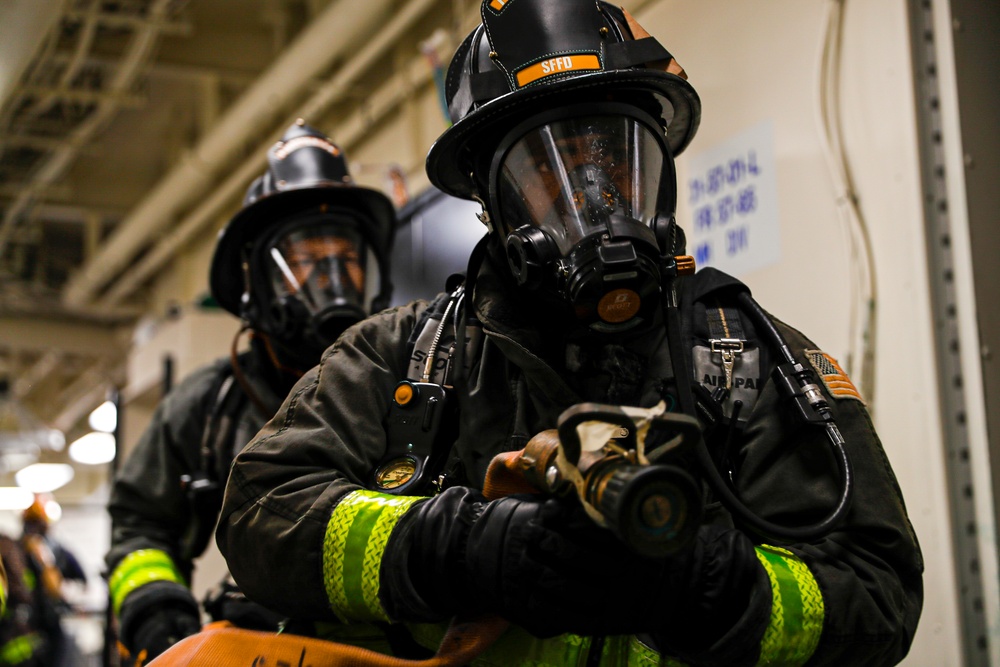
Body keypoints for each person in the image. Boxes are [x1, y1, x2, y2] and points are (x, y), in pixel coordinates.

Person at [216, 2, 923, 665]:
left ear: (660, 169)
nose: (596, 194)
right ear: (495, 203)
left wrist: (705, 585)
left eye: (616, 157)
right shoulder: (403, 357)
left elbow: (879, 594)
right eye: (551, 169)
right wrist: (460, 546)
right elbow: (259, 512)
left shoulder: (743, 358)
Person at [104, 119, 397, 664]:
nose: (332, 280)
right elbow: (140, 523)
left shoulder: (410, 388)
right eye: (306, 259)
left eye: (347, 256)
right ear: (256, 282)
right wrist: (155, 608)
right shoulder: (209, 407)